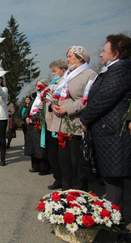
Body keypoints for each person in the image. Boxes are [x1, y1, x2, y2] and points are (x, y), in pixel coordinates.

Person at [80, 34, 131, 214]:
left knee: (113, 176)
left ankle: (116, 220)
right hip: (107, 129)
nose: (101, 54)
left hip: (112, 131)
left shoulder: (120, 70)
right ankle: (112, 216)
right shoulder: (115, 69)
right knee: (110, 175)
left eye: (104, 51)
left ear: (115, 54)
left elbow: (104, 98)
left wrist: (85, 118)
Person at [50, 46, 97, 191]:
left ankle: (78, 193)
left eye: (70, 56)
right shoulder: (67, 75)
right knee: (64, 162)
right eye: (67, 56)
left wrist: (68, 108)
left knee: (76, 162)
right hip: (61, 124)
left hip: (76, 124)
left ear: (80, 58)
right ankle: (66, 191)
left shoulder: (90, 74)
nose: (67, 59)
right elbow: (56, 94)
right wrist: (53, 105)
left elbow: (89, 99)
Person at [46, 59, 68, 190]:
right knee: (52, 153)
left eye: (55, 71)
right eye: (52, 71)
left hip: (59, 123)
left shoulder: (63, 84)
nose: (53, 74)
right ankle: (58, 178)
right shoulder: (52, 85)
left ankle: (62, 179)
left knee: (59, 155)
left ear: (63, 71)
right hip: (50, 123)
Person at [24, 79, 50, 175]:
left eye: (39, 86)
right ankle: (35, 166)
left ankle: (44, 168)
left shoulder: (45, 97)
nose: (37, 87)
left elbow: (42, 111)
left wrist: (33, 118)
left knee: (40, 147)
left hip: (39, 124)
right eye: (36, 86)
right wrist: (26, 117)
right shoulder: (36, 97)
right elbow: (28, 109)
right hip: (31, 125)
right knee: (32, 146)